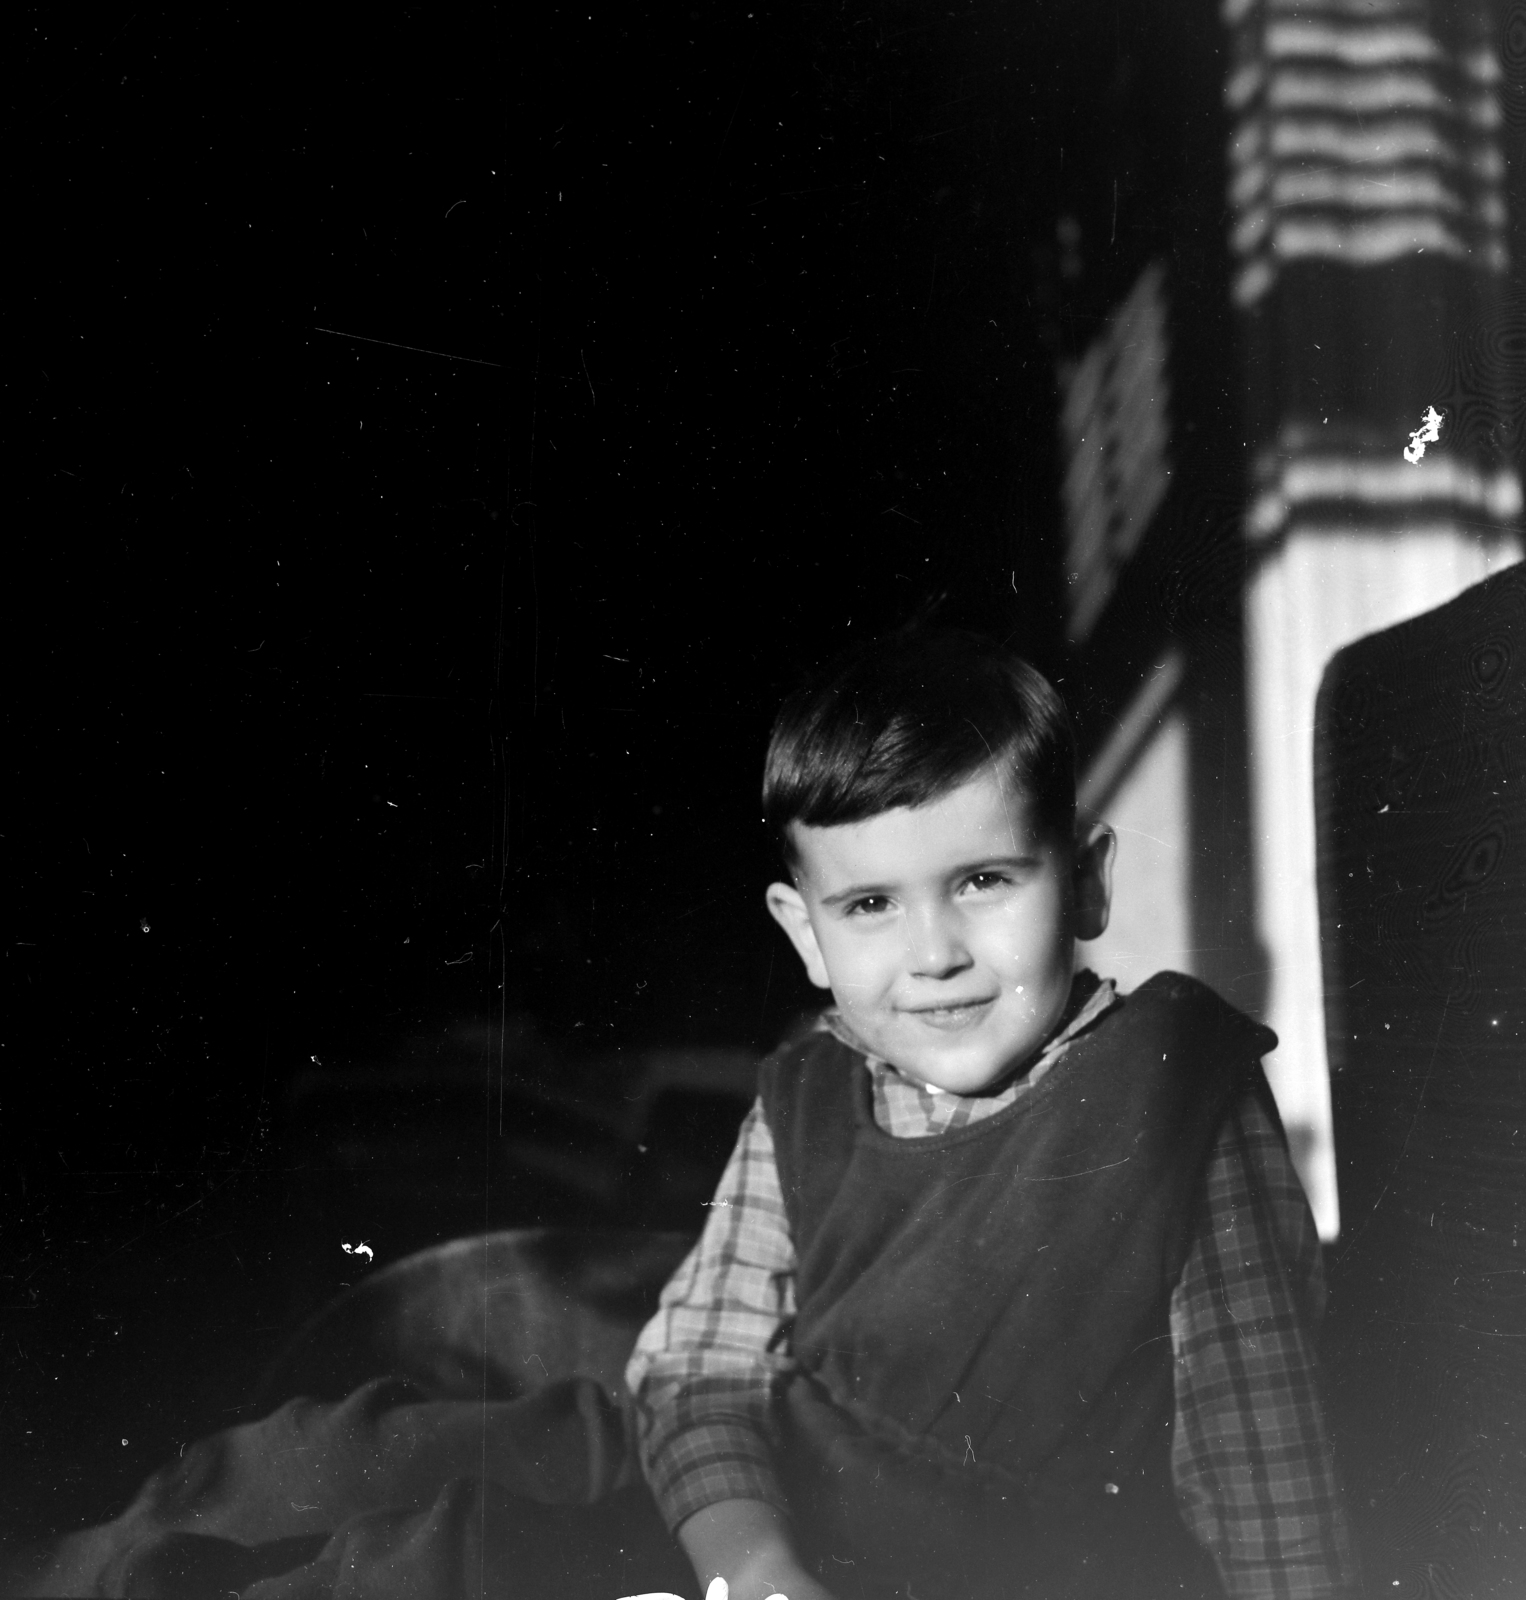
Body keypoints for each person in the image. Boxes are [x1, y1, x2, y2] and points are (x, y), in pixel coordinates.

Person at [625, 626, 1360, 1600]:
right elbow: (693, 1372)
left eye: (982, 881)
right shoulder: (800, 1101)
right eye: (869, 904)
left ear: (1086, 880)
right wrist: (756, 1570)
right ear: (804, 933)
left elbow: (1261, 1463)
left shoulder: (1171, 1089)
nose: (933, 953)